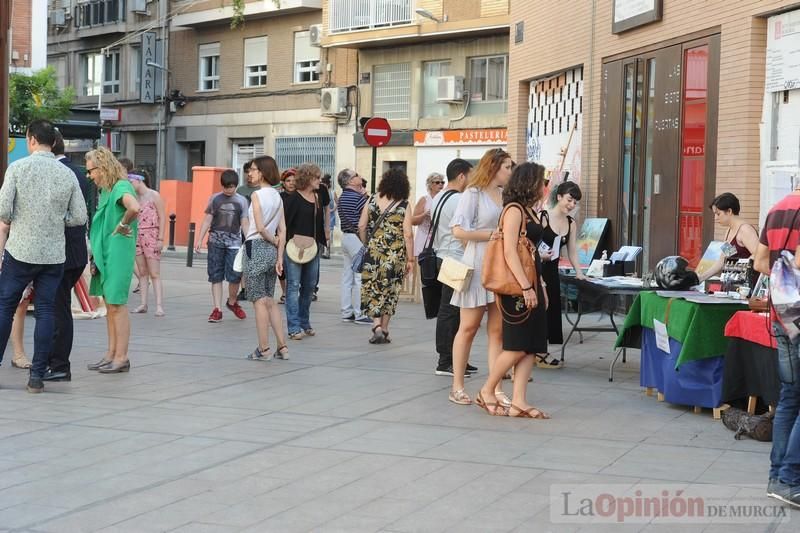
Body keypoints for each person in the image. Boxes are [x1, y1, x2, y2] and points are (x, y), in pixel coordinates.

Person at [0, 119, 87, 393]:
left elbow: (3, 210)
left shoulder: (18, 168)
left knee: (5, 307)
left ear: (31, 139)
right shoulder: (67, 174)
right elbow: (79, 217)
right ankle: (37, 377)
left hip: (20, 251)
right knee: (47, 311)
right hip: (53, 254)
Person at [476, 162, 550, 418]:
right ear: (530, 182)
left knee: (532, 345)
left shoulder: (531, 210)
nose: (544, 186)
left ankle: (519, 401)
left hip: (532, 282)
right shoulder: (514, 211)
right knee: (517, 345)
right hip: (516, 286)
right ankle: (487, 390)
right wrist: (527, 287)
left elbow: (532, 252)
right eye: (542, 181)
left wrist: (540, 285)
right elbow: (509, 251)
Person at [448, 148, 513, 406]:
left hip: (500, 265)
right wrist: (492, 234)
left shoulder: (505, 195)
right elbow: (458, 231)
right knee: (468, 327)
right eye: (507, 166)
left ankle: (494, 388)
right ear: (494, 167)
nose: (510, 171)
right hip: (476, 265)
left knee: (497, 330)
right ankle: (457, 386)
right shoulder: (472, 194)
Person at [754, 185, 800, 508]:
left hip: (780, 316)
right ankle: (790, 478)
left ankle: (776, 476)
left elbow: (759, 262)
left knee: (789, 397)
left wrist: (781, 266)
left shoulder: (776, 209)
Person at [85, 147, 140, 374]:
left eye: (91, 171)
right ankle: (111, 354)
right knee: (110, 305)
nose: (89, 176)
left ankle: (121, 357)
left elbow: (134, 207)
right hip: (106, 253)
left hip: (117, 253)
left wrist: (123, 224)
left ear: (103, 167)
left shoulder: (121, 186)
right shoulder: (108, 190)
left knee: (117, 305)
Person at [44, 131, 90, 382]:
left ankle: (60, 365)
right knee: (58, 307)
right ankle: (55, 361)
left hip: (64, 252)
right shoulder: (75, 171)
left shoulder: (62, 173)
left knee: (59, 309)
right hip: (75, 252)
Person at [358, 168, 414, 344]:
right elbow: (408, 234)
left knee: (373, 287)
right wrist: (411, 259)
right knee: (391, 289)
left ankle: (376, 325)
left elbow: (361, 225)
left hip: (374, 252)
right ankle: (385, 327)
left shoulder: (372, 199)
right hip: (395, 255)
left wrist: (367, 243)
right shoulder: (404, 205)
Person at [243, 156, 289, 361]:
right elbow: (283, 229)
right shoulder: (278, 197)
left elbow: (261, 228)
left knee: (258, 301)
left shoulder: (257, 195)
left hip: (255, 248)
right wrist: (279, 254)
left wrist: (272, 240)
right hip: (272, 253)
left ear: (262, 172)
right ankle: (283, 347)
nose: (249, 173)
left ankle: (263, 349)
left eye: (253, 170)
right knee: (270, 300)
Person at [432, 159, 473, 376]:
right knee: (451, 310)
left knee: (451, 310)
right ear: (461, 176)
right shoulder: (458, 199)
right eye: (471, 176)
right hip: (455, 259)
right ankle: (446, 361)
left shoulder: (438, 196)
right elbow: (464, 230)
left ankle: (456, 359)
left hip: (442, 256)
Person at [538, 181, 585, 367]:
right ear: (559, 197)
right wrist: (540, 255)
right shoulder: (543, 217)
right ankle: (537, 352)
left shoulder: (571, 223)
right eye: (569, 200)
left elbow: (572, 251)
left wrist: (579, 272)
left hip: (552, 271)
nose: (572, 205)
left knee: (552, 310)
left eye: (575, 202)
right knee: (539, 310)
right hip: (537, 269)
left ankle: (542, 351)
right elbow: (529, 244)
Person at [195, 170, 249, 323]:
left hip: (234, 243)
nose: (228, 190)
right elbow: (207, 220)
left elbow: (245, 222)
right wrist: (199, 239)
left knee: (235, 275)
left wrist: (249, 240)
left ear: (236, 186)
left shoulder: (242, 201)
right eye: (225, 187)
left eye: (231, 187)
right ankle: (217, 309)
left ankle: (232, 302)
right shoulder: (215, 199)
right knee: (215, 275)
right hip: (215, 242)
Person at [282, 163, 324, 340]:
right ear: (308, 179)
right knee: (292, 287)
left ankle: (304, 322)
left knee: (308, 287)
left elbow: (319, 223)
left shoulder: (318, 197)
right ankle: (293, 327)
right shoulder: (292, 199)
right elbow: (284, 225)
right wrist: (282, 247)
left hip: (313, 248)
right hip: (293, 248)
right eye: (317, 178)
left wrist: (322, 242)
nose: (319, 181)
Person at [337, 168, 372, 325]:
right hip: (357, 239)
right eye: (356, 175)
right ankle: (360, 313)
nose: (359, 176)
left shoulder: (343, 197)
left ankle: (346, 311)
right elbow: (368, 218)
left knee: (347, 277)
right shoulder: (358, 198)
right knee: (360, 276)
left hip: (346, 237)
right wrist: (366, 198)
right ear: (350, 181)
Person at [699, 193, 760, 281]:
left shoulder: (745, 230)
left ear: (729, 211)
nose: (715, 218)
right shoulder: (729, 231)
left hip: (746, 284)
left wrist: (741, 267)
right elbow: (722, 260)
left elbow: (758, 255)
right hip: (733, 282)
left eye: (718, 214)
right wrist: (700, 278)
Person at [130, 170, 166, 317]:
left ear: (139, 180)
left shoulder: (154, 195)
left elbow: (162, 217)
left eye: (131, 182)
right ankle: (143, 303)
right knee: (142, 271)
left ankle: (159, 305)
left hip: (151, 234)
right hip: (137, 235)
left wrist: (161, 239)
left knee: (154, 273)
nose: (130, 185)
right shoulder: (133, 198)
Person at [412, 172, 445, 258]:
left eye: (442, 182)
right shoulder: (424, 200)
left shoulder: (444, 200)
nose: (441, 184)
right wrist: (424, 214)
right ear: (430, 185)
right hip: (423, 239)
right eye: (437, 182)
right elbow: (413, 221)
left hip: (438, 240)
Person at [277, 168, 297, 304]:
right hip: (281, 235)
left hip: (297, 236)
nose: (291, 183)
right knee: (282, 267)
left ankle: (292, 292)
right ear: (283, 183)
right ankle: (284, 292)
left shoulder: (300, 197)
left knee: (294, 267)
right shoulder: (279, 198)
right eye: (288, 181)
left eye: (294, 181)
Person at [320, 174, 334, 259]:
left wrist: (331, 210)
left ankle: (326, 251)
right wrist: (332, 209)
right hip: (328, 215)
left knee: (328, 233)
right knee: (328, 233)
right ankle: (326, 251)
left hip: (327, 215)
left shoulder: (328, 192)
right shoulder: (332, 192)